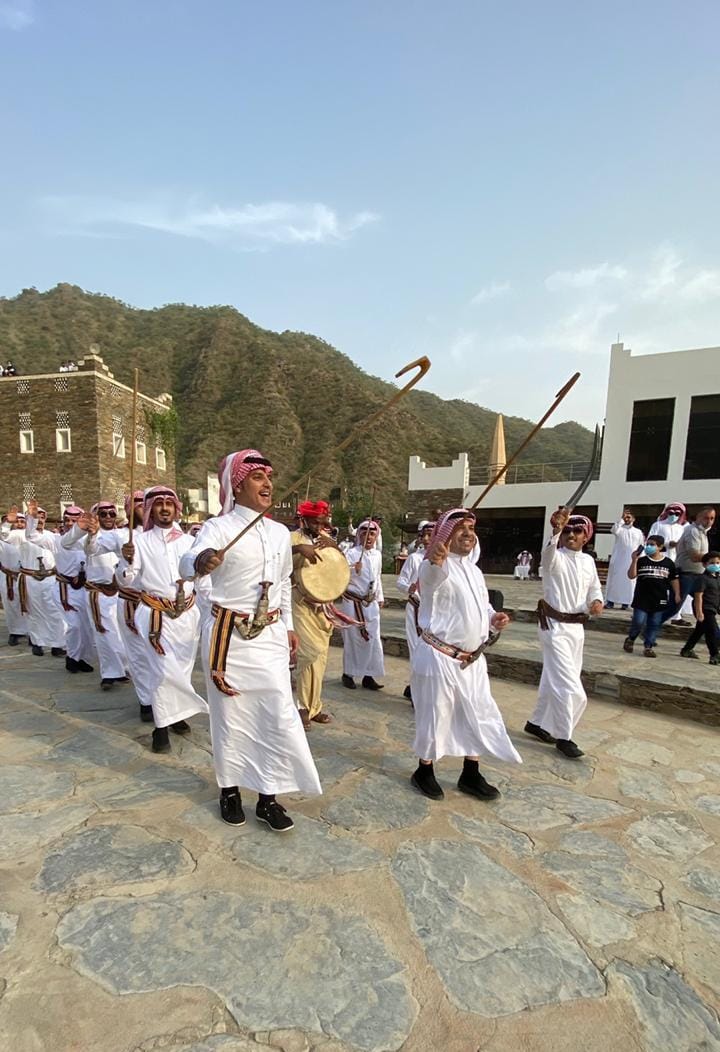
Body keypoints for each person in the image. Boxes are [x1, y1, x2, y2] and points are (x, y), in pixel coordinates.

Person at [179, 448, 321, 831]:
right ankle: (229, 791)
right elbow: (187, 562)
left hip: (270, 636)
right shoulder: (218, 528)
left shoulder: (279, 533)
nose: (267, 483)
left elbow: (284, 584)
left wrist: (287, 626)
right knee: (230, 717)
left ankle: (268, 797)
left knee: (275, 714)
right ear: (237, 485)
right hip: (228, 638)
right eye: (258, 477)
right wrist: (201, 561)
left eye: (269, 477)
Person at [409, 509, 520, 801]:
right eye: (460, 528)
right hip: (440, 657)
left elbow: (482, 606)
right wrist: (435, 559)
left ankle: (471, 773)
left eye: (471, 528)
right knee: (436, 715)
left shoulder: (474, 571)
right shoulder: (434, 567)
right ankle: (424, 770)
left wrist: (494, 618)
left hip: (472, 660)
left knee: (478, 714)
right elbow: (429, 579)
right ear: (446, 535)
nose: (468, 533)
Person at [118, 486, 207, 752]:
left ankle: (176, 715)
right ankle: (160, 727)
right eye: (159, 503)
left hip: (187, 615)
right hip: (155, 615)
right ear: (150, 510)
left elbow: (202, 581)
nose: (165, 508)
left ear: (176, 508)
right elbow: (127, 580)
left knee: (182, 668)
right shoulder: (139, 542)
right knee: (161, 670)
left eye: (169, 503)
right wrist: (125, 561)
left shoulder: (190, 542)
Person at [525, 508, 603, 759]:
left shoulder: (588, 561)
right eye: (568, 530)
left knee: (553, 678)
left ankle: (536, 723)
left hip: (576, 629)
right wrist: (556, 531)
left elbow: (594, 588)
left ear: (586, 536)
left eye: (577, 531)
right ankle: (564, 736)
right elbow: (547, 555)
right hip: (554, 627)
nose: (571, 534)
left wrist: (596, 602)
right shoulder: (555, 556)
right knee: (570, 687)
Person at [87, 491, 154, 718]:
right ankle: (146, 702)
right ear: (128, 509)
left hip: (161, 606)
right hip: (131, 603)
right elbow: (93, 549)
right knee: (138, 654)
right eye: (137, 503)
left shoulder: (167, 534)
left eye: (145, 502)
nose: (142, 506)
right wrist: (92, 534)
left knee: (163, 657)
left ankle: (169, 704)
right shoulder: (121, 535)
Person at [64, 502, 129, 690]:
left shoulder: (122, 535)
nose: (108, 517)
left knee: (123, 633)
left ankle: (125, 668)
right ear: (96, 516)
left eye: (111, 513)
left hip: (121, 593)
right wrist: (80, 529)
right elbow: (65, 543)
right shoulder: (86, 538)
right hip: (98, 593)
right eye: (103, 513)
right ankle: (110, 673)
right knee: (104, 634)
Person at [26, 502, 95, 673]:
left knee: (86, 627)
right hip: (65, 590)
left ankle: (82, 658)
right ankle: (71, 657)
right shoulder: (56, 540)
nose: (70, 523)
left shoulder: (90, 540)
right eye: (67, 520)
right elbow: (32, 536)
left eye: (74, 520)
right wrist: (32, 519)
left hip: (85, 590)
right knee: (74, 625)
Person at [289, 500, 337, 730]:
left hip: (321, 607)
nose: (319, 527)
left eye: (322, 523)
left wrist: (334, 547)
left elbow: (337, 568)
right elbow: (276, 559)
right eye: (315, 522)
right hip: (299, 602)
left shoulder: (326, 540)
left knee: (320, 659)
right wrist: (299, 549)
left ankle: (314, 707)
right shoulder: (292, 539)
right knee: (308, 653)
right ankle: (300, 707)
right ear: (304, 520)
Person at [338, 519, 385, 690]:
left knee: (373, 638)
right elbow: (339, 575)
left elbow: (377, 577)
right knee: (353, 638)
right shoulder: (351, 554)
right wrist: (352, 569)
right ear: (359, 535)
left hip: (370, 603)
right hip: (353, 602)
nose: (368, 537)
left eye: (372, 534)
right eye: (365, 533)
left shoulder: (377, 555)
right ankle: (348, 674)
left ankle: (368, 675)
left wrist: (380, 597)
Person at [18, 506, 67, 657]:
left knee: (55, 612)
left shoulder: (51, 536)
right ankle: (37, 642)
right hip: (30, 578)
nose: (39, 520)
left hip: (50, 578)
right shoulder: (21, 535)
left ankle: (57, 644)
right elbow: (5, 535)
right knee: (34, 612)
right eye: (36, 517)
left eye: (42, 517)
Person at [396, 520, 435, 701]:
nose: (426, 539)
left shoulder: (445, 561)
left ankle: (421, 688)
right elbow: (401, 582)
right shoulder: (414, 559)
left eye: (430, 535)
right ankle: (416, 690)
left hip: (436, 613)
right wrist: (409, 588)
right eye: (423, 535)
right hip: (416, 610)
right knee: (416, 648)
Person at [623, 535, 680, 658]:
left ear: (660, 547)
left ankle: (648, 646)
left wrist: (677, 594)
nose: (649, 546)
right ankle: (631, 638)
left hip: (659, 598)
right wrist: (634, 560)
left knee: (654, 624)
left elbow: (674, 580)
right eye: (647, 544)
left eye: (652, 544)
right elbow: (631, 575)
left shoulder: (668, 563)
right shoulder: (642, 561)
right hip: (642, 598)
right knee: (638, 621)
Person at [664, 507, 717, 622]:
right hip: (686, 575)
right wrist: (714, 559)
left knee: (707, 603)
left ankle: (707, 630)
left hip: (698, 574)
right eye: (706, 518)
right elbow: (694, 556)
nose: (709, 521)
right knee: (673, 607)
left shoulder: (703, 532)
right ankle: (649, 626)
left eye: (712, 518)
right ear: (698, 517)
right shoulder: (693, 531)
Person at [647, 502, 693, 625]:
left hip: (678, 562)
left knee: (676, 589)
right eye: (671, 513)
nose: (674, 516)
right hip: (661, 560)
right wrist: (667, 544)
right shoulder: (658, 525)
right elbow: (650, 541)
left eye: (677, 514)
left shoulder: (684, 527)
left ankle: (676, 616)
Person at [681, 552, 720, 664]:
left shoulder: (717, 578)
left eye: (718, 563)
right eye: (712, 563)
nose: (715, 565)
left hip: (713, 607)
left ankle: (687, 649)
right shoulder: (702, 579)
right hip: (704, 608)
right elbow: (698, 596)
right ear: (704, 564)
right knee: (712, 631)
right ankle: (714, 654)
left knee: (700, 629)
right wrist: (699, 612)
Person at [605, 510, 644, 609]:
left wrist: (639, 558)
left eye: (629, 517)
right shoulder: (619, 529)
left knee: (629, 582)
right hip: (618, 560)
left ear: (633, 519)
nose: (627, 519)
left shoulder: (638, 532)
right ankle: (610, 601)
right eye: (625, 517)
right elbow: (613, 530)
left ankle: (626, 603)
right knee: (615, 580)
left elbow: (641, 545)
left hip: (631, 561)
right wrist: (621, 520)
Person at [0, 510, 28, 645]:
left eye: (22, 522)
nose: (20, 524)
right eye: (17, 522)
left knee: (29, 603)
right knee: (11, 604)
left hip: (28, 577)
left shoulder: (31, 538)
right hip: (8, 577)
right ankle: (15, 631)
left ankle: (32, 632)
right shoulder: (4, 539)